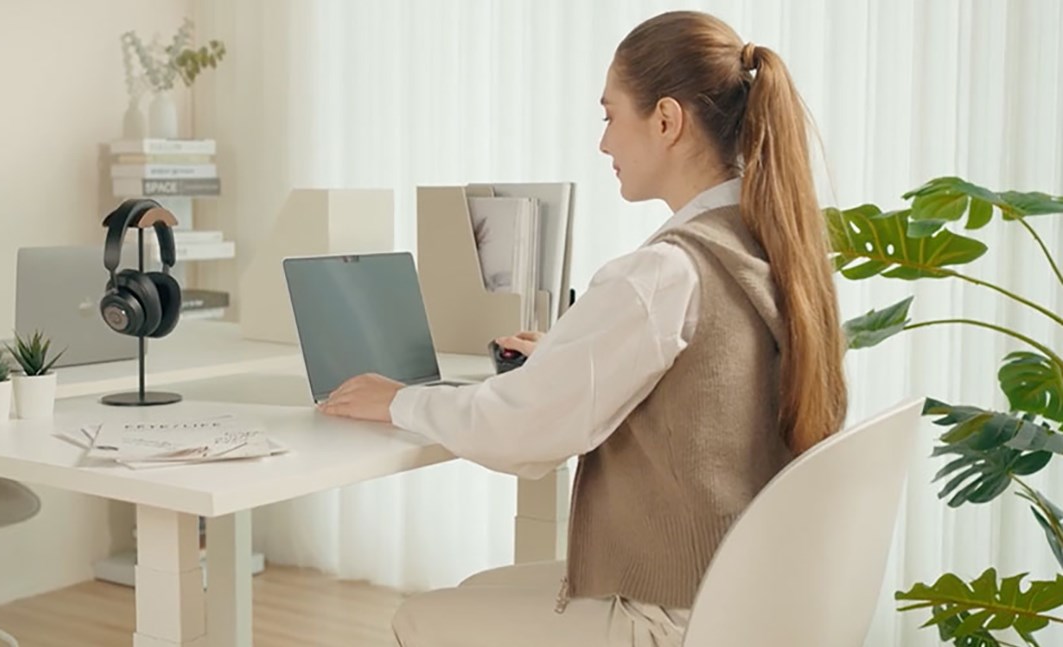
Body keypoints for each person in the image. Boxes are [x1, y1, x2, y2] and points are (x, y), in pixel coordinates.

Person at [318, 9, 848, 647]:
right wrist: (568, 357)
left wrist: (398, 400)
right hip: (747, 592)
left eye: (609, 115)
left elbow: (521, 433)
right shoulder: (767, 241)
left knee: (418, 617)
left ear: (666, 120)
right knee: (474, 593)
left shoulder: (663, 272)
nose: (604, 144)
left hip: (673, 611)